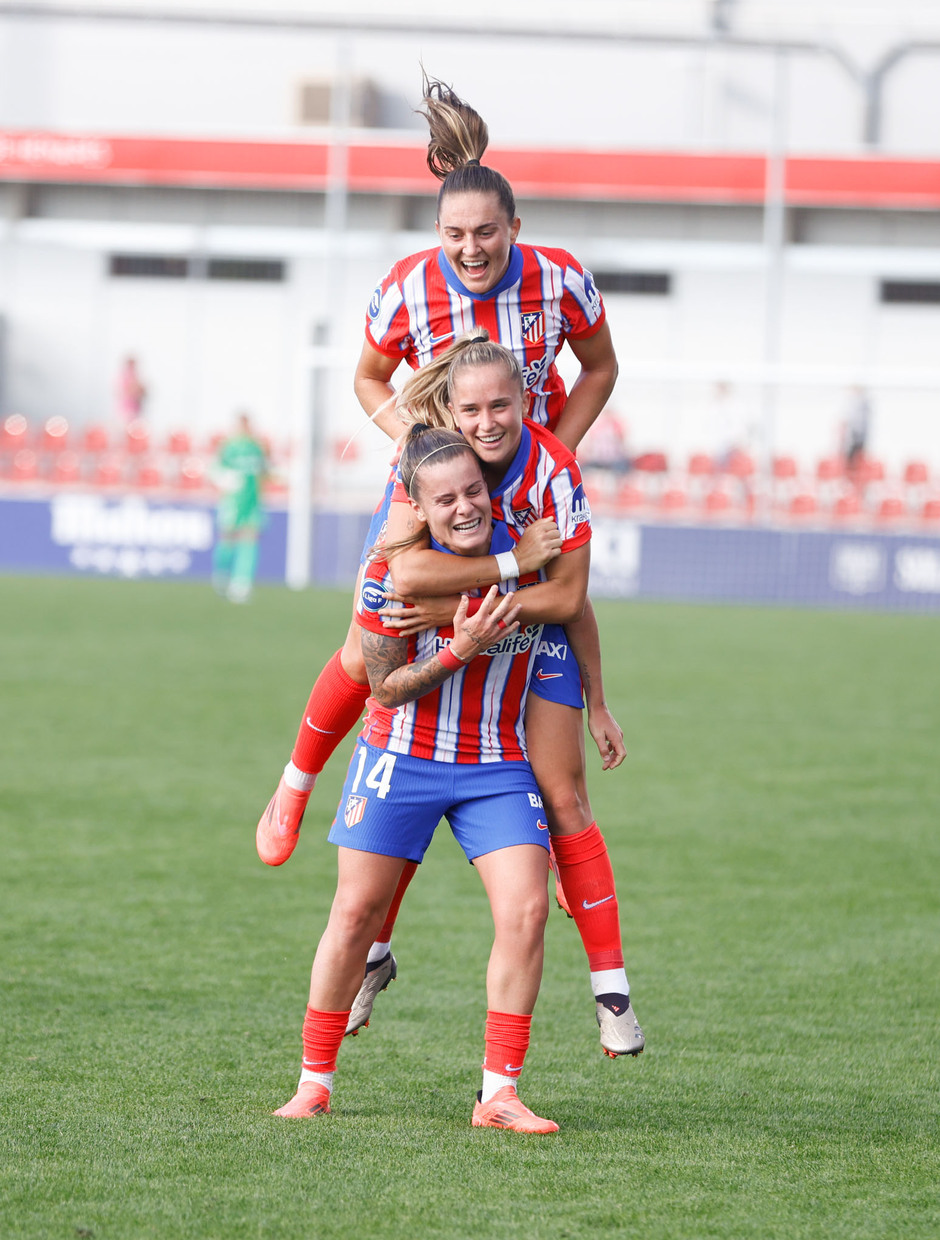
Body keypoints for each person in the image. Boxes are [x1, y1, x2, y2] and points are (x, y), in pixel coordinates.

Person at [257, 77, 642, 1057]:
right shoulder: (402, 287)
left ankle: (590, 983)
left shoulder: (560, 280)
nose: (471, 248)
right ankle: (299, 782)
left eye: (486, 231)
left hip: (521, 504)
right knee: (371, 630)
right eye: (455, 233)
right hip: (439, 500)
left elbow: (599, 365)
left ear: (514, 224)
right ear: (441, 232)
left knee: (476, 738)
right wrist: (417, 445)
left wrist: (556, 440)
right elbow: (367, 377)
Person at [273, 425, 564, 1132]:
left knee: (526, 911)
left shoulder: (528, 555)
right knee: (353, 917)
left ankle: (499, 1094)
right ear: (415, 507)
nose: (465, 507)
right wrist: (459, 649)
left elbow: (573, 605)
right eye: (445, 500)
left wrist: (602, 702)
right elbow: (386, 686)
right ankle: (314, 1081)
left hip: (496, 763)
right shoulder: (388, 570)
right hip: (399, 757)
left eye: (474, 491)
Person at [211, 412, 268, 604]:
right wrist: (226, 481)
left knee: (249, 538)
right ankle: (221, 574)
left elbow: (264, 471)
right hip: (233, 500)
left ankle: (242, 583)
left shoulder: (256, 446)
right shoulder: (229, 446)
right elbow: (216, 469)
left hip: (252, 501)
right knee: (227, 538)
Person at [116, 355, 147, 425]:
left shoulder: (136, 376)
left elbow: (142, 391)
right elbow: (125, 391)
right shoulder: (124, 377)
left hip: (136, 410)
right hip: (126, 410)